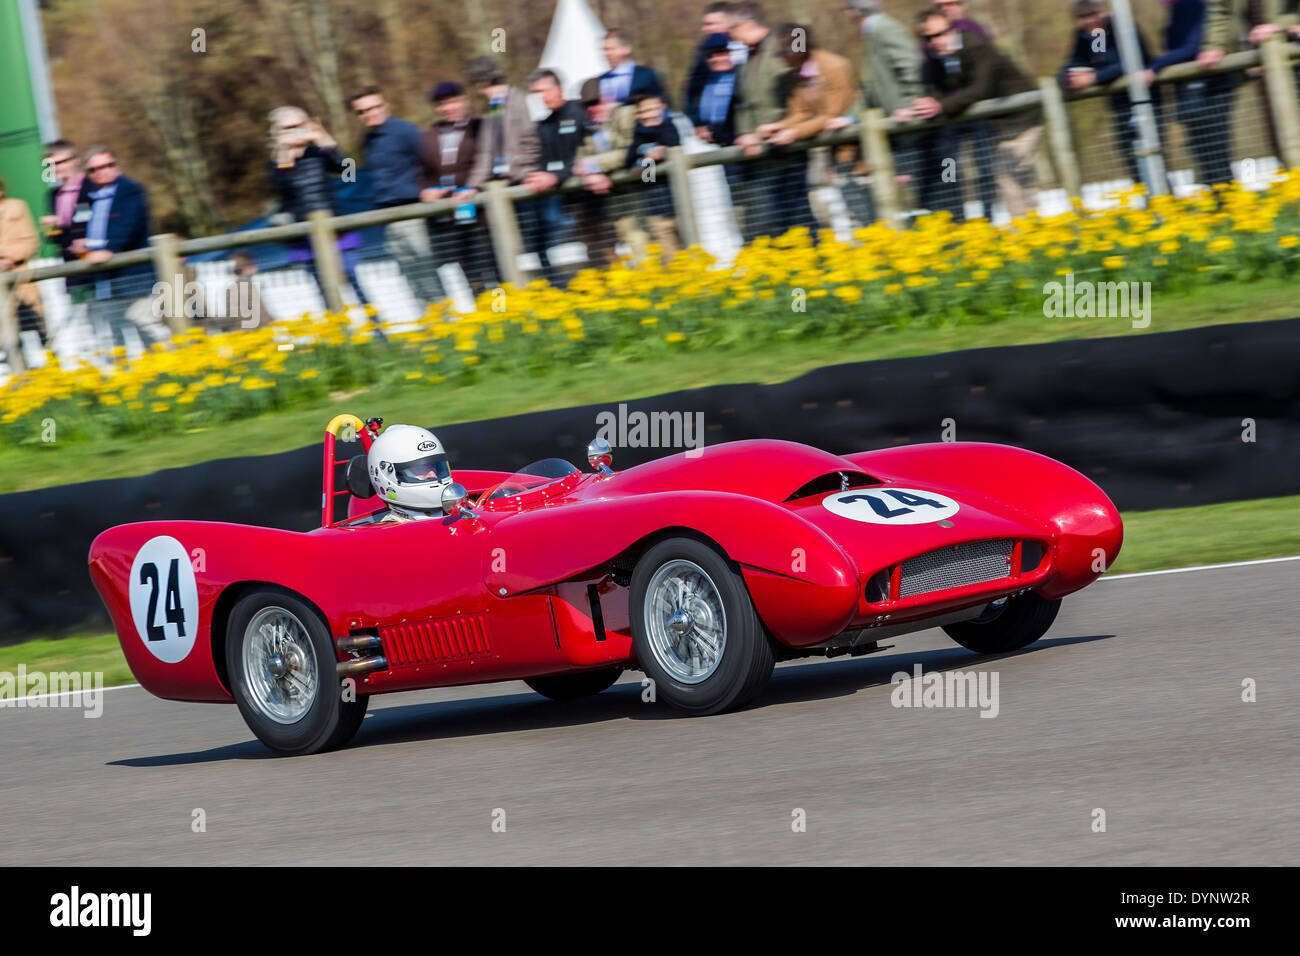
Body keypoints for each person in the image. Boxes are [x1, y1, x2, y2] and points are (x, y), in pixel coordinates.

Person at [908, 7, 1041, 221]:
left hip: (1018, 117)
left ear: (952, 30)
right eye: (929, 38)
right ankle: (1017, 227)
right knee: (961, 170)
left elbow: (980, 89)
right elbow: (932, 90)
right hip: (979, 122)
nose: (936, 41)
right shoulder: (933, 60)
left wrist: (940, 106)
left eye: (941, 34)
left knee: (1006, 175)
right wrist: (921, 105)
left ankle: (1021, 228)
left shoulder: (976, 46)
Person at [267, 106, 373, 320]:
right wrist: (284, 153)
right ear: (277, 133)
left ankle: (379, 334)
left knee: (356, 285)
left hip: (336, 230)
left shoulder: (319, 153)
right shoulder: (276, 163)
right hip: (305, 236)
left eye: (300, 125)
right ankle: (343, 341)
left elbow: (351, 173)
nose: (296, 131)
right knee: (325, 293)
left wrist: (325, 140)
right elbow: (282, 189)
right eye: (289, 128)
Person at [350, 85, 444, 306]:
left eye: (374, 107)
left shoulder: (406, 131)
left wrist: (434, 187)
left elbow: (433, 160)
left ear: (385, 105)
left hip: (414, 213)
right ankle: (431, 330)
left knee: (427, 273)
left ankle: (448, 326)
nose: (369, 114)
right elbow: (352, 175)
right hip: (387, 217)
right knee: (410, 279)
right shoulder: (367, 141)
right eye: (362, 111)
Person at [730, 1, 814, 241]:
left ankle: (816, 262)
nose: (730, 36)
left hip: (788, 146)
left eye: (732, 30)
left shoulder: (783, 46)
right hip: (762, 154)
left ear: (745, 24)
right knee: (775, 218)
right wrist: (747, 134)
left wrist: (785, 127)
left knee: (798, 215)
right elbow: (744, 105)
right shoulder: (746, 60)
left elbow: (802, 94)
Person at [1060, 1, 1160, 185]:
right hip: (1120, 105)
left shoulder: (1124, 27)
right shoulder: (1096, 36)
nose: (1089, 21)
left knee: (1154, 157)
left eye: (1093, 14)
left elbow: (1131, 60)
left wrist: (1094, 78)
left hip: (1146, 101)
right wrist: (1070, 79)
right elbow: (1091, 61)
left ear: (1104, 12)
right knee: (1132, 159)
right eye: (1083, 17)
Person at [71, 146, 155, 355]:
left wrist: (109, 250)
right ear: (88, 173)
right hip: (104, 281)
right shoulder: (89, 196)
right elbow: (80, 222)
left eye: (109, 165)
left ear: (117, 165)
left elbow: (129, 226)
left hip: (132, 278)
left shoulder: (129, 190)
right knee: (117, 338)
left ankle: (169, 375)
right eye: (95, 169)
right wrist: (80, 241)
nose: (103, 171)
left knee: (147, 330)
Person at [1146, 0, 1234, 188]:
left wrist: (1154, 67)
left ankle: (1227, 201)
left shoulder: (1192, 6)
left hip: (1209, 87)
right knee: (1203, 152)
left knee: (1214, 150)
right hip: (1191, 91)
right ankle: (1219, 202)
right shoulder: (1177, 9)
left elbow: (1191, 47)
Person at [418, 81, 493, 291]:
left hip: (481, 214)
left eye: (453, 102)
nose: (448, 108)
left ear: (464, 101)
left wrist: (474, 188)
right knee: (470, 275)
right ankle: (484, 317)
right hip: (451, 219)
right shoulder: (429, 136)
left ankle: (507, 313)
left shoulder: (481, 127)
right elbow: (424, 172)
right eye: (443, 104)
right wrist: (426, 191)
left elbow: (487, 162)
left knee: (493, 267)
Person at [525, 68, 588, 285]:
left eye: (545, 90)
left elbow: (585, 156)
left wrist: (556, 176)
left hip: (583, 199)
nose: (542, 97)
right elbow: (544, 162)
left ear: (559, 88)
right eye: (537, 93)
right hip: (553, 200)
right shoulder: (544, 125)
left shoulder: (579, 113)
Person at [466, 56, 541, 190]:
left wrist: (523, 171)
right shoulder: (492, 108)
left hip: (528, 181)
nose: (478, 92)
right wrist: (472, 186)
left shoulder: (522, 100)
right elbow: (485, 152)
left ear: (483, 83)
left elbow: (535, 140)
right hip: (503, 184)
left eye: (477, 86)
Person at [625, 91, 683, 262]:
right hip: (656, 206)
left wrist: (654, 155)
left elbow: (673, 146)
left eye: (653, 109)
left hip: (680, 202)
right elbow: (631, 163)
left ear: (662, 108)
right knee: (670, 254)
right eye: (643, 111)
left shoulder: (670, 126)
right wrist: (647, 160)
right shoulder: (637, 134)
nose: (648, 115)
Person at [365, 424, 454, 522]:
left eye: (434, 466)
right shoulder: (385, 533)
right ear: (386, 474)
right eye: (421, 468)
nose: (433, 475)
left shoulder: (459, 509)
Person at [0, 177, 44, 373]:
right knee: (8, 339)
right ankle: (21, 378)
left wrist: (9, 256)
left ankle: (50, 374)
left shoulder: (17, 208)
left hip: (21, 279)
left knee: (37, 329)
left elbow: (32, 243)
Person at [684, 3, 749, 115]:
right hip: (715, 123)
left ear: (729, 24)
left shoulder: (745, 46)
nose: (705, 29)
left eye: (711, 24)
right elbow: (692, 89)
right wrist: (697, 121)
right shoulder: (702, 52)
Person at [41, 139, 89, 264]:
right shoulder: (53, 196)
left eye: (61, 162)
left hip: (95, 259)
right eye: (51, 164)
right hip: (70, 263)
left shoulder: (91, 187)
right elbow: (55, 238)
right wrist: (50, 228)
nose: (57, 168)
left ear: (76, 160)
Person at [595, 28, 670, 107]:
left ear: (626, 49)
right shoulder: (599, 80)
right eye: (604, 50)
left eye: (611, 49)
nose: (606, 54)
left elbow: (663, 105)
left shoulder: (646, 76)